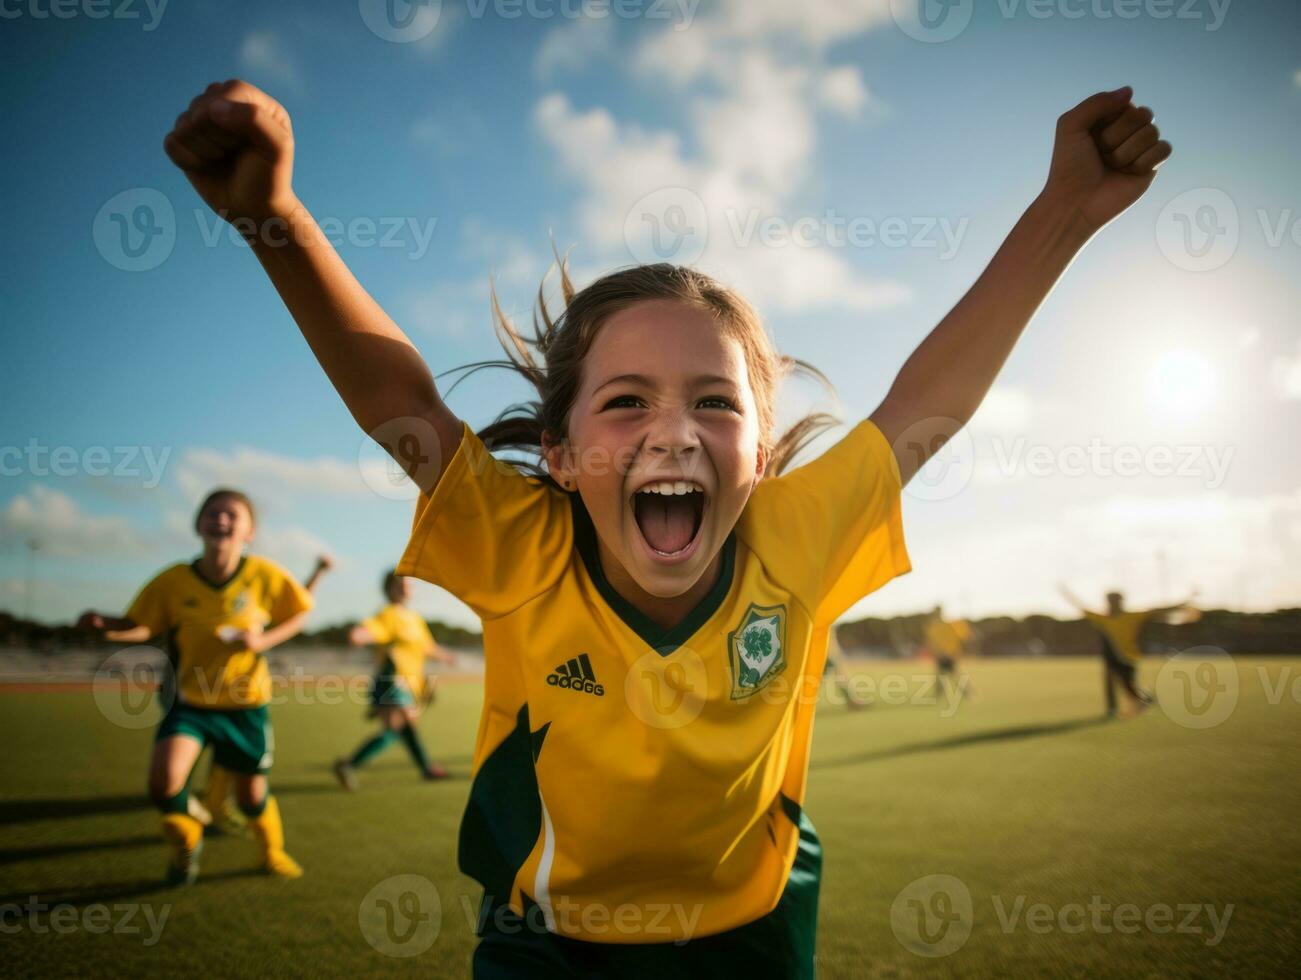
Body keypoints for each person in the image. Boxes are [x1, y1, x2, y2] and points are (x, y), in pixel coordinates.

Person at [165, 76, 1170, 976]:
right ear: (556, 453)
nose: (675, 433)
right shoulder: (518, 541)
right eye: (626, 402)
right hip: (544, 940)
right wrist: (275, 218)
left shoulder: (798, 536)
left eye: (716, 404)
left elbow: (923, 403)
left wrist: (1064, 211)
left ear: (766, 458)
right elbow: (406, 407)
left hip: (752, 928)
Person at [78, 489, 314, 884]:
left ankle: (271, 853)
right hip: (191, 704)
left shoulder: (265, 575)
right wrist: (107, 630)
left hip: (245, 706)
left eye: (231, 514)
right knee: (162, 785)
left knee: (251, 799)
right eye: (212, 512)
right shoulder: (172, 581)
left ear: (249, 531)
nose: (220, 519)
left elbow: (300, 612)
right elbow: (141, 625)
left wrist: (263, 640)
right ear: (197, 524)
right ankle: (187, 843)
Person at [195, 553, 335, 834]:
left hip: (239, 690)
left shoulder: (261, 580)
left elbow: (297, 606)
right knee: (175, 773)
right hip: (192, 686)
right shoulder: (193, 581)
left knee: (230, 754)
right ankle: (207, 807)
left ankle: (216, 805)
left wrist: (317, 573)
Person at [334, 569, 455, 788]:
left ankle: (426, 768)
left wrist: (446, 657)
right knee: (396, 728)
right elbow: (371, 630)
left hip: (409, 684)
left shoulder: (414, 619)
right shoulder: (389, 614)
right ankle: (350, 764)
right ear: (389, 588)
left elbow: (427, 646)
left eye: (409, 583)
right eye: (400, 583)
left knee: (406, 727)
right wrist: (359, 635)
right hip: (392, 681)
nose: (406, 587)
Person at [1059, 585, 1198, 718]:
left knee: (1128, 685)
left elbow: (1157, 610)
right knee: (1125, 684)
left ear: (1121, 602)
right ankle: (1136, 702)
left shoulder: (1132, 617)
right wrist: (1066, 593)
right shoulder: (1103, 618)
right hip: (1113, 656)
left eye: (1115, 601)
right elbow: (1080, 605)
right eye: (1110, 601)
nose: (1112, 603)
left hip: (1128, 656)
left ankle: (1143, 701)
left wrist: (1184, 602)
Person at [921, 605, 978, 705]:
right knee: (941, 676)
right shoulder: (932, 627)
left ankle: (968, 693)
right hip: (940, 656)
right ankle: (938, 696)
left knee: (955, 675)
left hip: (950, 655)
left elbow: (962, 637)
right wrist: (937, 652)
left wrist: (953, 652)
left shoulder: (950, 625)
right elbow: (930, 642)